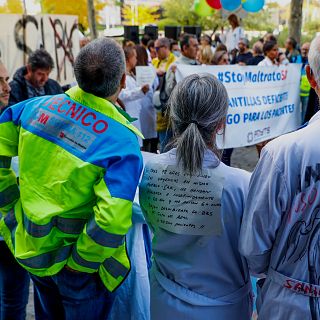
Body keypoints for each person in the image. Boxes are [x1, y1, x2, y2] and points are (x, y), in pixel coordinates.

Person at [0, 38, 143, 319]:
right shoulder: (122, 141)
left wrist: (11, 212)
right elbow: (112, 221)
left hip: (35, 252)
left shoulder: (30, 109)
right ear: (123, 81)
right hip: (82, 272)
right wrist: (80, 264)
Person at [140, 74, 253, 320]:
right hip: (224, 310)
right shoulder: (240, 184)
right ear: (221, 123)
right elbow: (256, 254)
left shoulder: (151, 170)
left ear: (173, 116)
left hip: (164, 303)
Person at [239, 35, 320, 319]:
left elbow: (254, 246)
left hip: (290, 304)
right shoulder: (281, 153)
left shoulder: (281, 154)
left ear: (310, 76)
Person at [0, 60, 31, 320]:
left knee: (12, 302)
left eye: (6, 79)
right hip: (10, 226)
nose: (5, 87)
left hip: (9, 233)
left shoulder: (11, 120)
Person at [119, 44, 150, 147]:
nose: (136, 59)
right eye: (135, 57)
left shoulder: (130, 75)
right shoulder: (123, 77)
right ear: (128, 59)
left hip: (135, 115)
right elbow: (123, 95)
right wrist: (140, 91)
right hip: (129, 116)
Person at [300, 42, 311, 123]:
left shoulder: (312, 61)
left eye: (306, 50)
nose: (304, 51)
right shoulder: (296, 59)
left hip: (307, 93)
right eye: (303, 49)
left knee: (304, 112)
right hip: (296, 92)